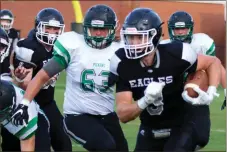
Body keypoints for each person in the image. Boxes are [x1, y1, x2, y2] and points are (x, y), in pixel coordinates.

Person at [11, 4, 128, 151]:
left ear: (112, 29)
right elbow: (41, 77)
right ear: (86, 28)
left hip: (106, 115)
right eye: (94, 29)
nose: (98, 33)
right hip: (78, 116)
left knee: (121, 149)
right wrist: (25, 104)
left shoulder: (119, 51)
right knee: (106, 146)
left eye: (103, 29)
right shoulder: (74, 46)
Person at [108, 8, 221, 151]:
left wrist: (210, 91)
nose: (134, 43)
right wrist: (145, 101)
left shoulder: (177, 53)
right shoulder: (121, 62)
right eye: (130, 37)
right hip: (150, 127)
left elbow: (213, 62)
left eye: (139, 37)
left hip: (181, 124)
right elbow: (123, 114)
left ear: (154, 36)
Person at [2, 8, 72, 151]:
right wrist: (43, 79)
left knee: (63, 142)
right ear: (39, 26)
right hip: (23, 102)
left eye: (55, 29)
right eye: (48, 28)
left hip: (47, 101)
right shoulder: (27, 47)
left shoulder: (61, 47)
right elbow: (24, 85)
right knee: (17, 143)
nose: (52, 32)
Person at [164, 10, 226, 111]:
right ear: (171, 30)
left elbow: (216, 64)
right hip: (173, 83)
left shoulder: (202, 42)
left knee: (192, 89)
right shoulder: (164, 47)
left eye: (184, 28)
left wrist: (221, 90)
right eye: (177, 29)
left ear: (190, 28)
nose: (180, 32)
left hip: (195, 78)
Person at [0, 9, 20, 74]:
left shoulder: (13, 33)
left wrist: (12, 64)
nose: (5, 23)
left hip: (7, 59)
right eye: (2, 21)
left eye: (7, 21)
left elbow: (14, 49)